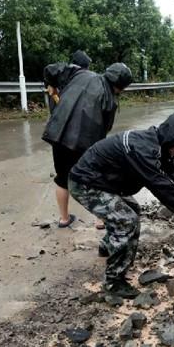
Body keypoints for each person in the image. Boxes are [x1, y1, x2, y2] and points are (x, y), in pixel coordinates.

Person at [69, 112, 174, 298]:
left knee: (132, 210)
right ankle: (113, 282)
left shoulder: (158, 143)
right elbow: (161, 187)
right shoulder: (142, 149)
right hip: (86, 183)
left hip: (104, 182)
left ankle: (108, 247)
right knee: (126, 220)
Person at [42, 62, 133, 228]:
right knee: (97, 179)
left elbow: (51, 69)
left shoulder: (79, 73)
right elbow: (104, 131)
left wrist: (51, 85)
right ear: (121, 87)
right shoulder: (110, 99)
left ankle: (63, 219)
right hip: (84, 145)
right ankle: (100, 219)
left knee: (62, 179)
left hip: (59, 135)